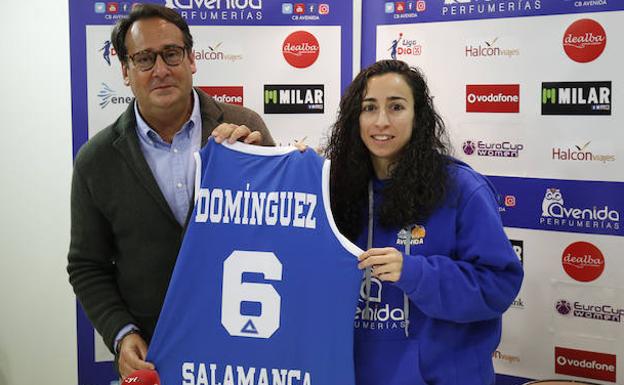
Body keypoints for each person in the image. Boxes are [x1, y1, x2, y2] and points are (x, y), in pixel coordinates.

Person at [66, 4, 273, 379]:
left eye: (171, 54)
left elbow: (283, 233)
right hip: (156, 356)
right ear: (126, 71)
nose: (160, 69)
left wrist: (276, 169)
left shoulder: (246, 128)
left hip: (247, 346)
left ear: (192, 59)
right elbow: (87, 267)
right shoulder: (95, 161)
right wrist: (121, 333)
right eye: (144, 59)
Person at [326, 60, 523, 385]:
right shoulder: (334, 188)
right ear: (353, 118)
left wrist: (414, 272)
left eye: (396, 107)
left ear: (418, 115)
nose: (381, 121)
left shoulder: (461, 188)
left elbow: (499, 286)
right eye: (369, 108)